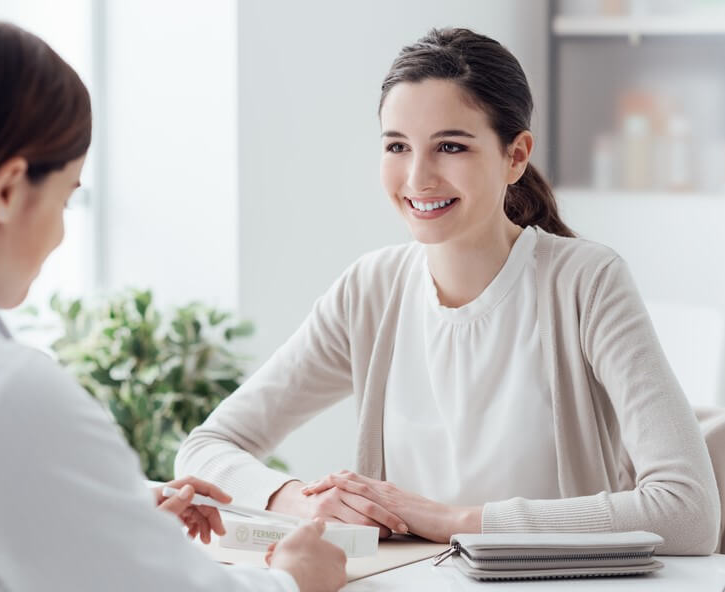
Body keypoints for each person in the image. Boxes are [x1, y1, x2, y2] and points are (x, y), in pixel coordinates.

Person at [0, 13, 346, 591]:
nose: (61, 234)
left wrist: (102, 509)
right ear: (6, 191)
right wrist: (296, 578)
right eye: (66, 197)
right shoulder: (3, 395)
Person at [175, 27, 721, 555]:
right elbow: (205, 449)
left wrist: (454, 522)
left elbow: (689, 512)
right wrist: (299, 501)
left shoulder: (586, 282)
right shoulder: (371, 289)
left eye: (451, 147)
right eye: (396, 146)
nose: (417, 178)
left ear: (515, 155)